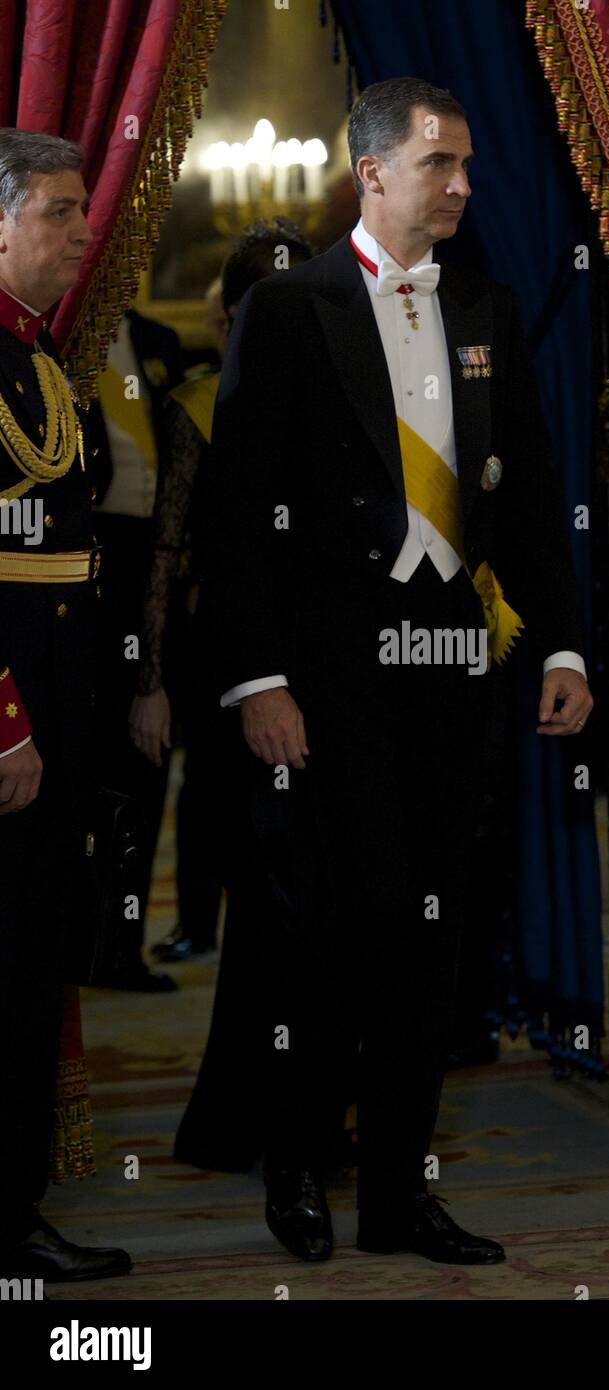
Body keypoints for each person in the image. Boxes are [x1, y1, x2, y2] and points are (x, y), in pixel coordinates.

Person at [201, 77, 593, 1266]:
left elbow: (527, 495)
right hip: (326, 685)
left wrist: (561, 643)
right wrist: (255, 679)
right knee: (327, 935)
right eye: (441, 164)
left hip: (451, 678)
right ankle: (297, 1162)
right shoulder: (287, 307)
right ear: (371, 172)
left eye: (468, 165)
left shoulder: (484, 302)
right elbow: (232, 517)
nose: (464, 185)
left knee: (430, 946)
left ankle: (397, 1193)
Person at [0, 127, 130, 1281]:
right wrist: (4, 721)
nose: (83, 231)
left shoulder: (40, 357)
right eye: (59, 210)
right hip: (9, 719)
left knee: (35, 960)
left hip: (58, 707)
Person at [131, 221, 312, 969]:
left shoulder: (342, 399)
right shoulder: (198, 405)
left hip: (321, 648)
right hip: (221, 651)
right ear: (234, 312)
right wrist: (151, 683)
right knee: (225, 816)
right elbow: (165, 551)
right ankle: (208, 932)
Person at [88, 308, 185, 992]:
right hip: (81, 564)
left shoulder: (156, 341)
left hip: (150, 567)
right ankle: (79, 942)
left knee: (145, 760)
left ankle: (122, 946)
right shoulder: (60, 335)